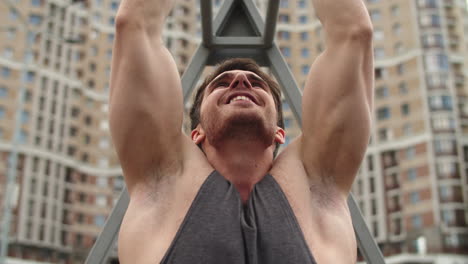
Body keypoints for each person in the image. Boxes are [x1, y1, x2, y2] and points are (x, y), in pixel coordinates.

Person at [109, 0, 374, 263]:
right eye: (221, 84)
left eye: (257, 84)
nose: (241, 80)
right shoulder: (162, 179)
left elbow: (353, 32)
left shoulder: (317, 183)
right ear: (196, 133)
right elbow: (135, 25)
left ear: (280, 133)